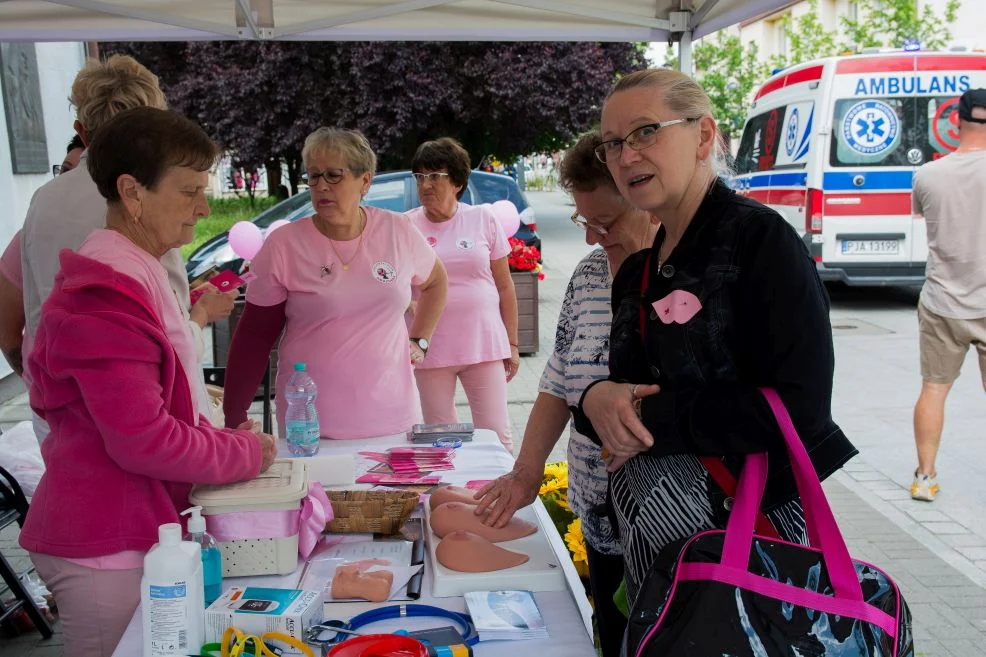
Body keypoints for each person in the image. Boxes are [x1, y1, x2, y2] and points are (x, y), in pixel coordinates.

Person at [572, 69, 857, 606]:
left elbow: (800, 409)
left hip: (743, 544)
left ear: (704, 136)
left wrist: (647, 418)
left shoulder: (761, 241)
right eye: (612, 143)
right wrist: (595, 399)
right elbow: (623, 397)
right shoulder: (637, 271)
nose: (626, 156)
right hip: (654, 552)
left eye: (645, 132)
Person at [18, 107, 277, 657]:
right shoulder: (104, 296)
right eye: (189, 192)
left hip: (126, 530)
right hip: (103, 542)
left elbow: (158, 404)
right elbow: (145, 438)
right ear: (132, 193)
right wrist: (244, 452)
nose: (204, 208)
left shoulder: (131, 273)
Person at [474, 130, 656, 657]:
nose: (592, 238)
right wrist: (526, 472)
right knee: (612, 635)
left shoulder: (684, 276)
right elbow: (557, 381)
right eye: (584, 221)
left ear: (646, 199)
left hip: (669, 524)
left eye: (607, 222)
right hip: (600, 511)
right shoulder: (589, 274)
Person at [19, 54, 235, 442]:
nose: (200, 209)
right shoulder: (145, 208)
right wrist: (199, 316)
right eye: (191, 192)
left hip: (65, 411)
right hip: (145, 419)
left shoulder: (44, 199)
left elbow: (30, 311)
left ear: (82, 131)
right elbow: (170, 341)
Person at [223, 128, 448, 440]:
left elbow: (437, 281)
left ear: (365, 181)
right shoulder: (284, 245)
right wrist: (234, 417)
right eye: (313, 176)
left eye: (333, 175)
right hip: (311, 425)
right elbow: (254, 337)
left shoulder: (398, 230)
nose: (321, 186)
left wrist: (420, 340)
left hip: (392, 417)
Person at [405, 138, 518, 451]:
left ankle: (501, 500)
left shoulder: (482, 218)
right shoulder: (406, 226)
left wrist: (512, 342)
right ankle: (452, 499)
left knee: (496, 436)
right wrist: (406, 300)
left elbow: (505, 285)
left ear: (456, 181)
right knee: (440, 439)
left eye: (434, 176)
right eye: (420, 176)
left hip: (483, 343)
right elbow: (387, 283)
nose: (425, 184)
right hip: (429, 350)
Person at [909, 88, 986, 502]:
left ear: (955, 121)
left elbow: (922, 215)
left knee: (934, 388)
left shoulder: (928, 175)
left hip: (943, 301)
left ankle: (925, 477)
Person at [0, 135, 85, 376]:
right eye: (65, 171)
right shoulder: (30, 234)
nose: (67, 184)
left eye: (78, 175)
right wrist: (34, 377)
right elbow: (7, 334)